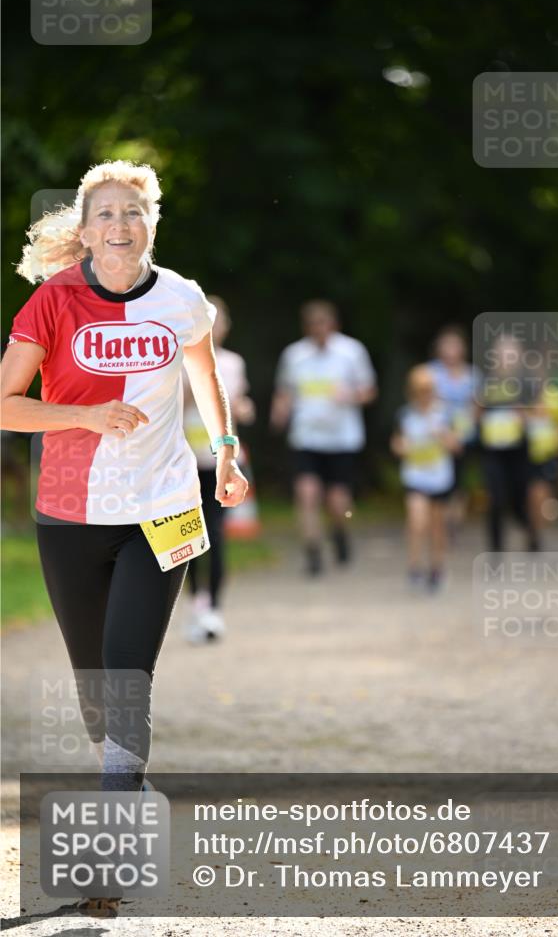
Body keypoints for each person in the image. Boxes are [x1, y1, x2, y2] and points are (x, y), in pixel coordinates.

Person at [0, 160, 248, 919]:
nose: (120, 225)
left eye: (133, 212)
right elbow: (6, 404)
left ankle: (108, 852)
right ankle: (127, 779)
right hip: (71, 514)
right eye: (105, 214)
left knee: (127, 675)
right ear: (85, 230)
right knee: (97, 694)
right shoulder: (53, 300)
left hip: (163, 506)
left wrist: (226, 450)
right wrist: (83, 416)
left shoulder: (181, 298)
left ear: (152, 224)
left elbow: (204, 374)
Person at [270, 300, 377, 576]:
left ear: (334, 324)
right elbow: (285, 391)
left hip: (342, 439)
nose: (318, 329)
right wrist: (280, 411)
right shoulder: (294, 355)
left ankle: (340, 531)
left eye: (323, 323)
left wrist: (351, 395)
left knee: (338, 502)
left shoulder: (351, 352)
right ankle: (313, 552)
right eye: (313, 324)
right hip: (306, 437)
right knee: (307, 494)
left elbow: (369, 391)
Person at [182, 296, 255, 642]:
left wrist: (243, 408)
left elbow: (236, 405)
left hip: (219, 463)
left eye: (218, 321)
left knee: (215, 533)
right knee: (189, 535)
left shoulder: (234, 363)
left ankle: (213, 607)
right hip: (185, 459)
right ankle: (196, 601)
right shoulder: (177, 361)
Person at [390, 364, 460, 592]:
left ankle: (437, 567)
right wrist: (402, 447)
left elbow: (456, 446)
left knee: (437, 526)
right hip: (415, 477)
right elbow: (396, 444)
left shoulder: (444, 413)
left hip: (439, 478)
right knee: (417, 521)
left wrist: (442, 436)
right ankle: (414, 565)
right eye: (420, 390)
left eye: (428, 389)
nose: (424, 394)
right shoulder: (405, 415)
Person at [477, 333, 538, 552]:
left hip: (519, 450)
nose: (506, 358)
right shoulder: (486, 383)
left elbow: (540, 415)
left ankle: (532, 533)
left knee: (519, 499)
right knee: (495, 498)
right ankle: (496, 549)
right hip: (493, 451)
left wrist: (525, 416)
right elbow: (475, 413)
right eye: (502, 353)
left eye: (510, 354)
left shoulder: (527, 384)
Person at [429, 324, 481, 536]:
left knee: (459, 482)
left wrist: (460, 434)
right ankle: (439, 520)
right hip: (437, 435)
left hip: (464, 436)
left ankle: (453, 522)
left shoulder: (472, 375)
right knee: (441, 481)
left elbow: (477, 407)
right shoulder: (430, 373)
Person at [526, 375, 558, 537]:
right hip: (525, 454)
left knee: (540, 487)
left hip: (549, 453)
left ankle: (537, 527)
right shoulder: (520, 396)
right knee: (531, 489)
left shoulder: (556, 397)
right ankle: (535, 523)